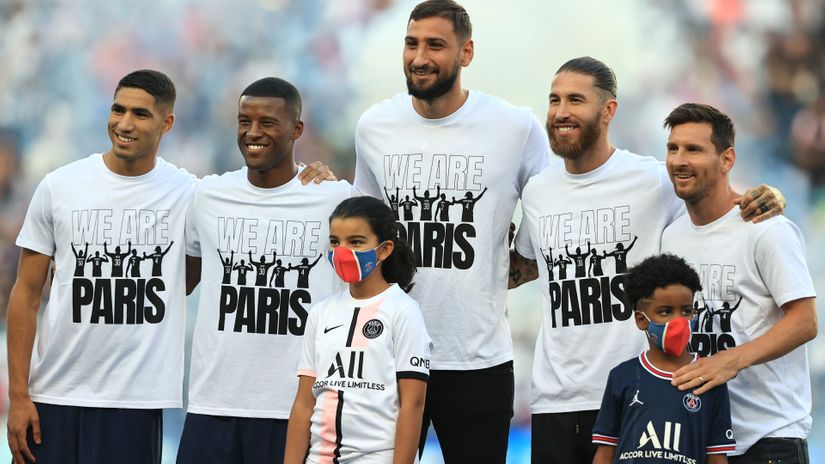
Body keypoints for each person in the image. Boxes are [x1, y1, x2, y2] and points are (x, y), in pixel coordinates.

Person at [509, 57, 786, 464]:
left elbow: (723, 207)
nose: (561, 111)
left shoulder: (652, 180)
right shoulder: (537, 191)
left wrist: (771, 197)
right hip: (555, 402)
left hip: (639, 393)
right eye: (554, 100)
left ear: (608, 110)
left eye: (575, 100)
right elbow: (528, 266)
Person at [353, 1, 551, 460]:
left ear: (466, 53)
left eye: (435, 45)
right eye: (411, 43)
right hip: (389, 351)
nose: (420, 57)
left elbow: (551, 202)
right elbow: (363, 223)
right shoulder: (375, 126)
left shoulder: (514, 127)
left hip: (478, 359)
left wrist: (520, 261)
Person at [6, 69, 197, 464]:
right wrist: (19, 396)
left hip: (137, 402)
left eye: (140, 114)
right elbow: (25, 294)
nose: (124, 123)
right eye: (118, 109)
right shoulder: (60, 186)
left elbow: (187, 280)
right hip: (52, 397)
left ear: (167, 123)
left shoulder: (191, 193)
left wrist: (312, 176)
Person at [177, 77, 352, 464]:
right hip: (212, 405)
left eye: (268, 123)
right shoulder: (207, 196)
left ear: (297, 130)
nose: (253, 133)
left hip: (296, 409)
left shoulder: (334, 199)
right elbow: (183, 278)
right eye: (244, 121)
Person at [661, 103, 818, 463]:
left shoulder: (766, 228)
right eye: (673, 148)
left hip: (769, 439)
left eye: (694, 149)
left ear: (727, 159)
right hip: (702, 440)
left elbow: (805, 321)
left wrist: (731, 361)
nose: (680, 160)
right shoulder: (671, 236)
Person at [284, 196, 431, 464]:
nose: (342, 251)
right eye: (335, 242)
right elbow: (304, 403)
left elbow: (413, 405)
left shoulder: (403, 311)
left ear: (384, 249)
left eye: (355, 242)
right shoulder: (319, 313)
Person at [592, 253, 735, 464]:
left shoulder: (709, 378)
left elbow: (716, 456)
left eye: (686, 311)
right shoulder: (622, 376)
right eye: (666, 312)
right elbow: (605, 452)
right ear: (642, 319)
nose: (679, 321)